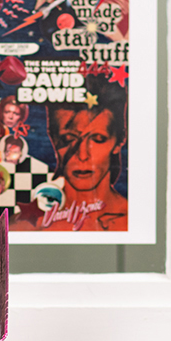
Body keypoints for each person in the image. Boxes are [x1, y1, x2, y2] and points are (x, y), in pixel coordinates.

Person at [13, 76, 127, 232]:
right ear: (53, 138)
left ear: (119, 141)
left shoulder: (135, 223)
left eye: (98, 139)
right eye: (68, 139)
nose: (82, 155)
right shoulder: (22, 227)